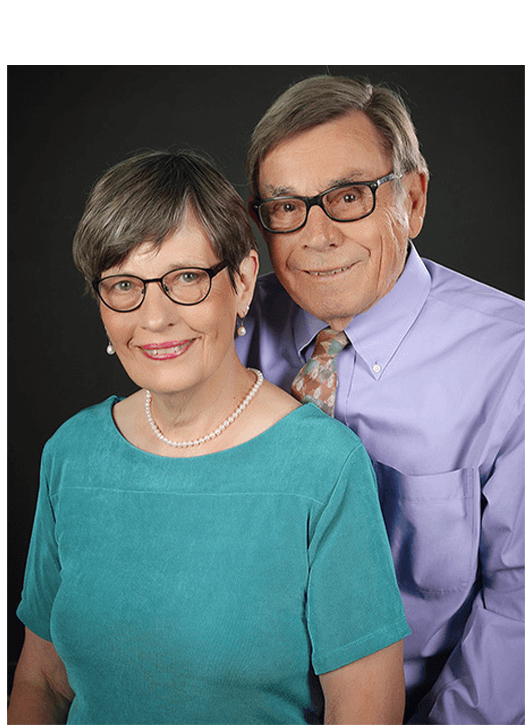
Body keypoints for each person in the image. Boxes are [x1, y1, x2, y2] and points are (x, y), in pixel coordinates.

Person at [8, 150, 410, 723]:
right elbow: (43, 682)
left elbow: (365, 710)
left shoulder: (324, 467)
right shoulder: (71, 455)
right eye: (124, 285)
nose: (154, 318)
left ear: (242, 281)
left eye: (186, 279)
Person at [239, 76, 525, 723]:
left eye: (348, 196)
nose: (316, 235)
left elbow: (519, 606)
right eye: (286, 207)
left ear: (413, 199)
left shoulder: (512, 360)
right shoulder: (230, 328)